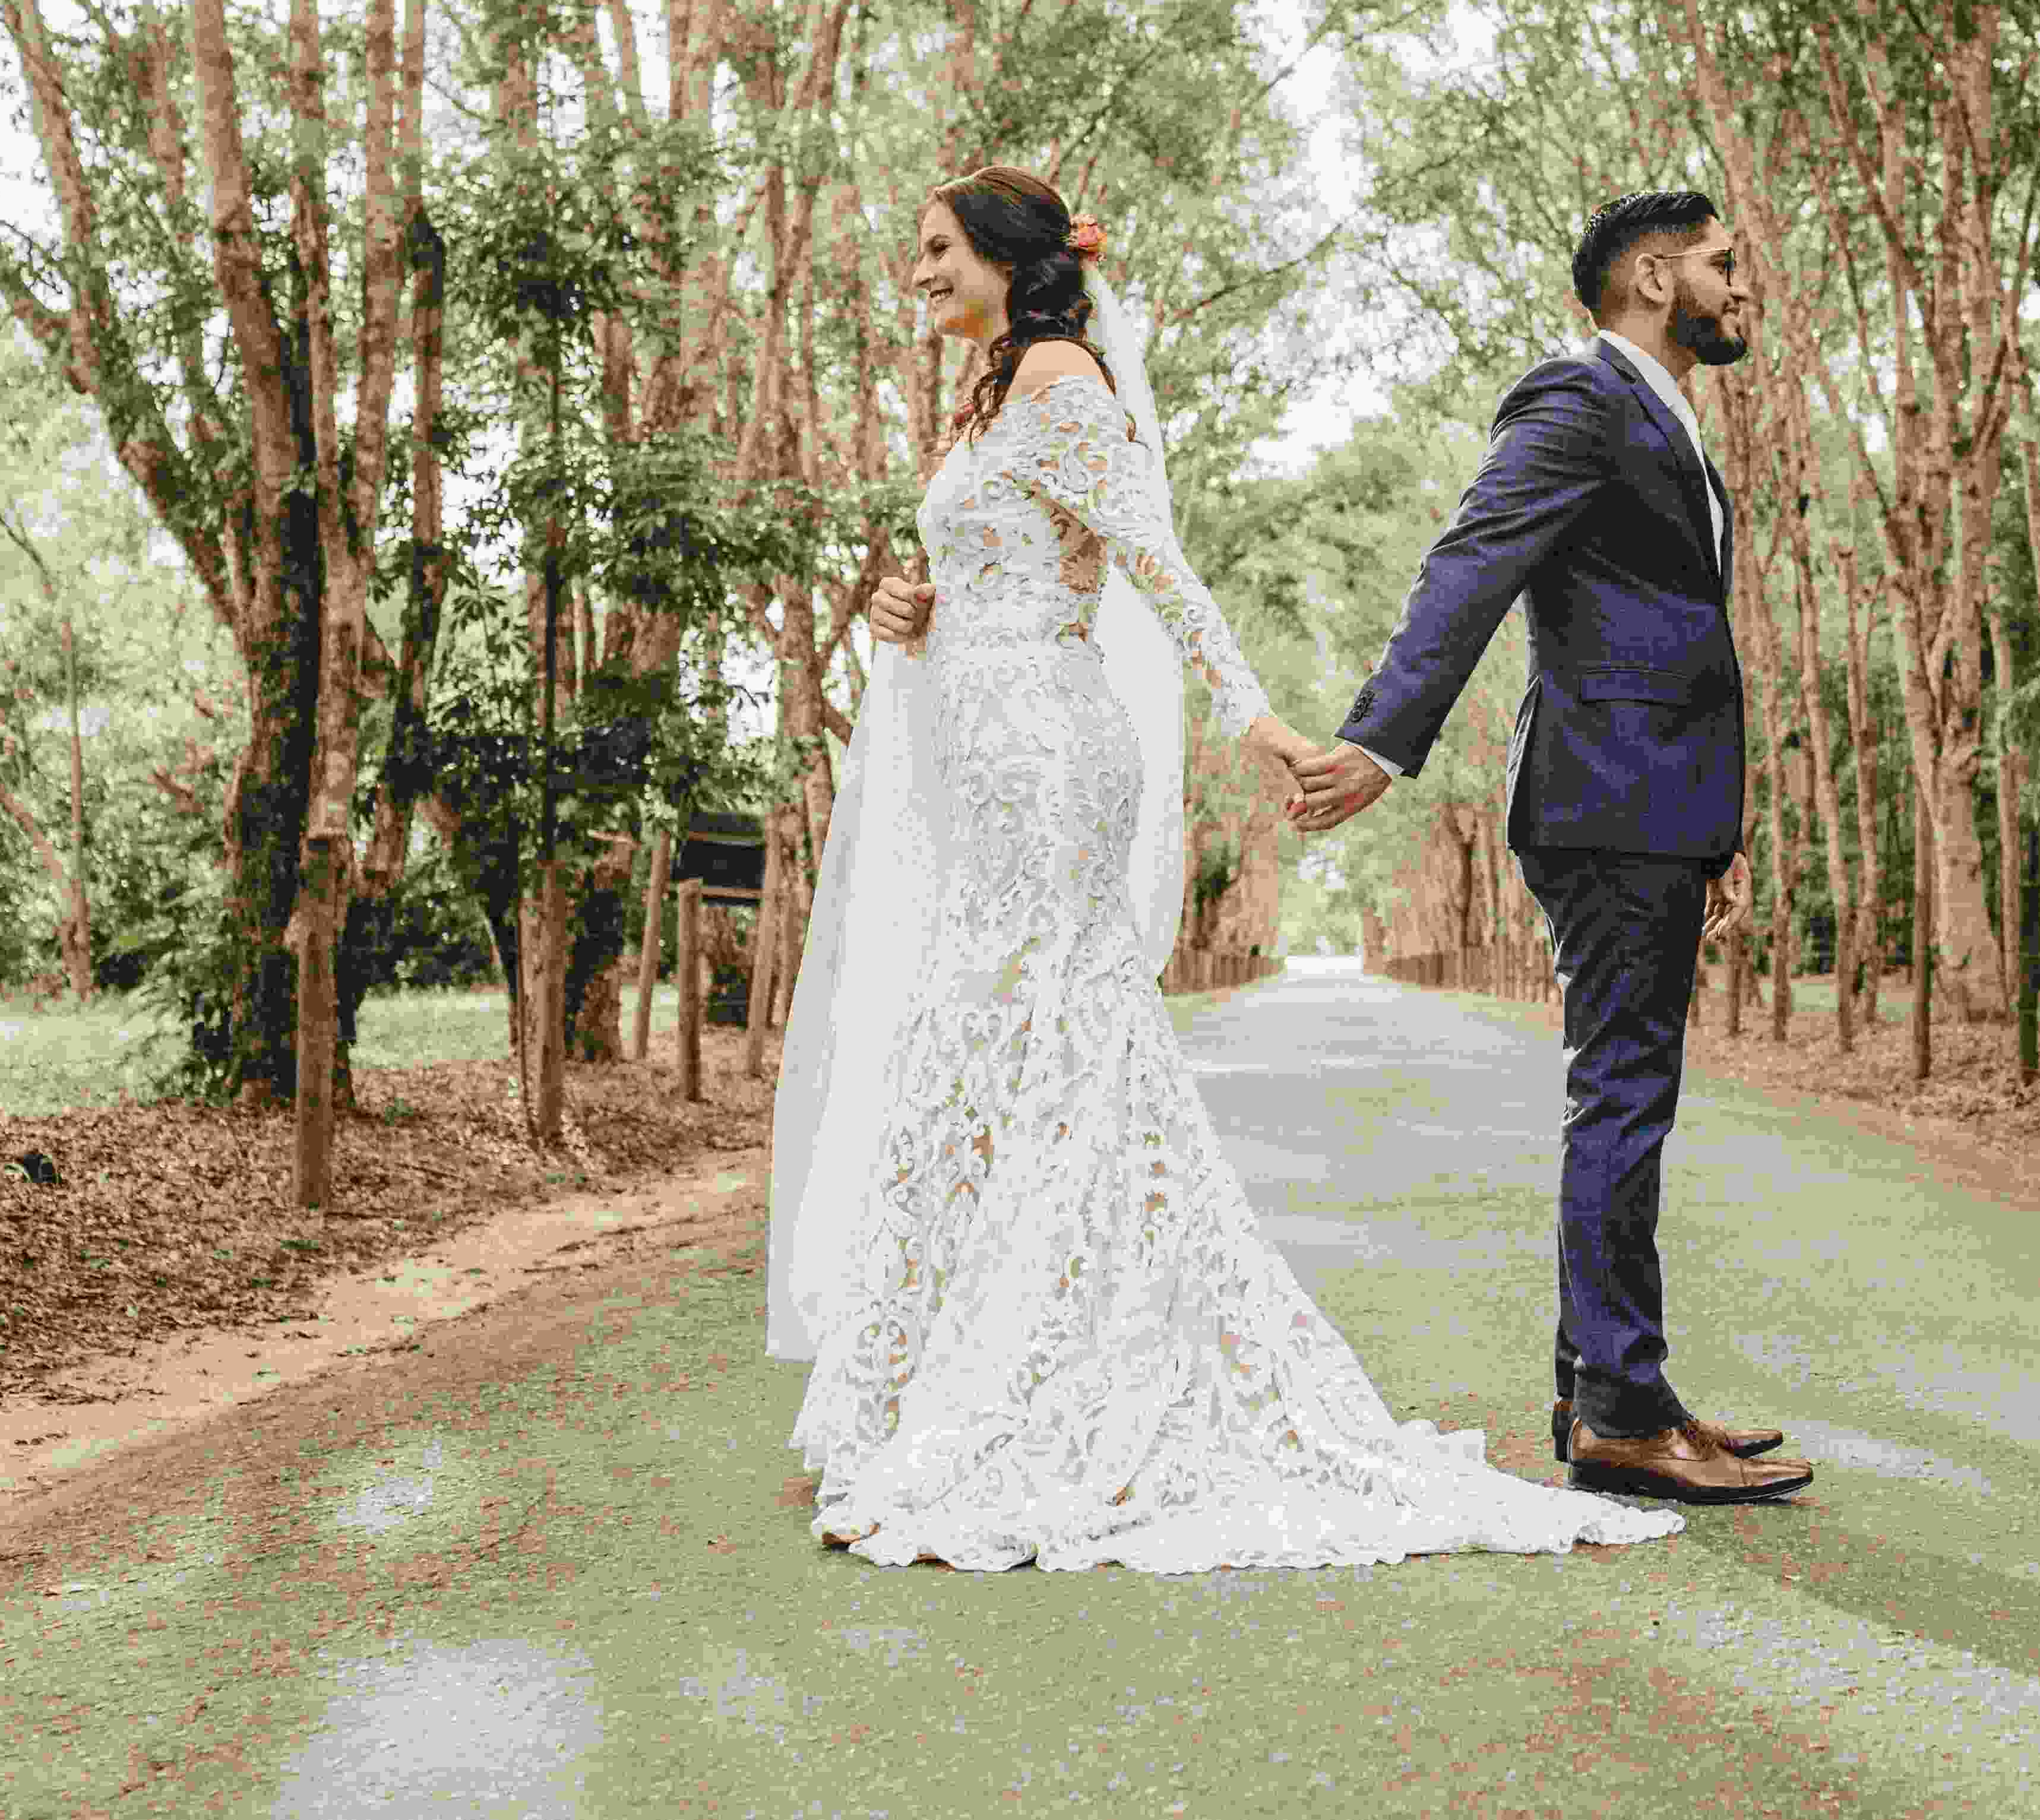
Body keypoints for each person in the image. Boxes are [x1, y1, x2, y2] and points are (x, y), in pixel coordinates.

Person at [763, 164, 1685, 1572]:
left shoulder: (1062, 377)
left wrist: (1251, 717)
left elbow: (1153, 563)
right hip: (987, 737)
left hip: (1049, 761)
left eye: (937, 250)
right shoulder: (997, 390)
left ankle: (1045, 1380)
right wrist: (913, 604)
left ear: (1010, 259)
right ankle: (949, 1373)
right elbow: (1018, 564)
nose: (918, 272)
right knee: (987, 1041)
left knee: (1036, 1033)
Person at [1291, 189, 1817, 1509]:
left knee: (1627, 1090)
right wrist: (1381, 740)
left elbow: (1671, 637)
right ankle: (1620, 1411)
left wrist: (1720, 829)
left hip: (1653, 800)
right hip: (1607, 795)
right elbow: (1469, 563)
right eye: (1719, 262)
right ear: (1652, 275)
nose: (1740, 283)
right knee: (1623, 1094)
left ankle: (1615, 1387)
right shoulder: (1577, 397)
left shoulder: (1661, 409)